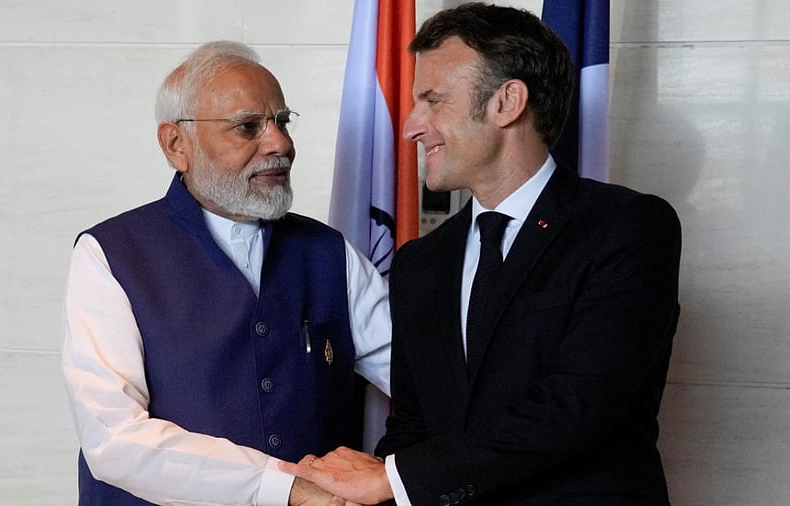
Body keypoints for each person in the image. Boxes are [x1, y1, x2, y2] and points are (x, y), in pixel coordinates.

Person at [280, 3, 682, 505]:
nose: (410, 126)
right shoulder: (421, 263)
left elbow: (575, 406)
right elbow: (414, 424)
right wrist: (362, 490)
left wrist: (391, 480)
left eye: (433, 100)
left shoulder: (626, 228)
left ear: (507, 102)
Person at [61, 40, 391, 506]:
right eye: (248, 127)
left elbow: (421, 377)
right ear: (177, 145)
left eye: (282, 122)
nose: (280, 144)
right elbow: (113, 440)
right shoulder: (110, 254)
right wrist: (284, 486)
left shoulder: (329, 252)